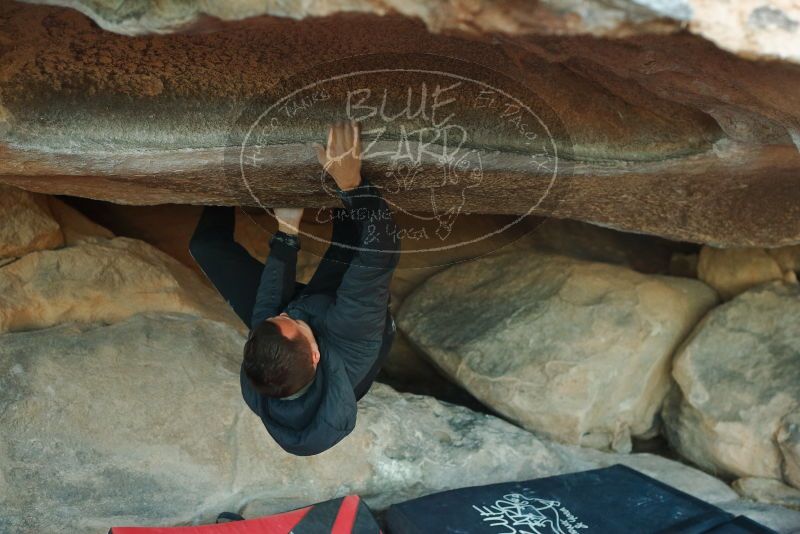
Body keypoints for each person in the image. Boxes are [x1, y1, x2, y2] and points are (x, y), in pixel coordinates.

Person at [189, 120, 400, 456]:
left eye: (277, 320)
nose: (286, 311)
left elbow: (270, 310)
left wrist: (287, 234)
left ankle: (226, 176)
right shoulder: (352, 338)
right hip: (340, 317)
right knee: (351, 235)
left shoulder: (261, 368)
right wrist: (351, 184)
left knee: (206, 248)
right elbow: (381, 253)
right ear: (315, 356)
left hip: (301, 335)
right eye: (289, 319)